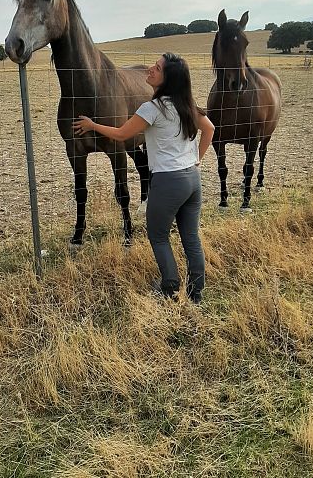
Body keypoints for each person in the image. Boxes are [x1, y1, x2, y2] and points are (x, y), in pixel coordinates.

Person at [73, 53, 215, 303]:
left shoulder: (152, 109)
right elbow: (210, 129)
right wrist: (197, 159)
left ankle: (170, 287)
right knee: (190, 236)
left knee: (158, 236)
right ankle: (196, 293)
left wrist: (92, 126)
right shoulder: (187, 105)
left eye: (157, 68)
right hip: (193, 180)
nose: (150, 69)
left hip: (168, 182)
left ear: (167, 79)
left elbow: (120, 134)